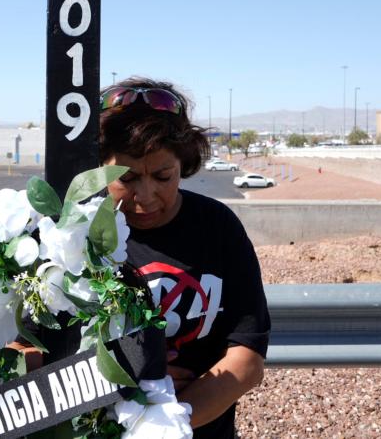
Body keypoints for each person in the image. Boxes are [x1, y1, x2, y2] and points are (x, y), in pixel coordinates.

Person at [99, 77, 270, 438]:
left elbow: (247, 359)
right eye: (126, 179)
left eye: (163, 176)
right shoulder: (71, 235)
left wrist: (164, 423)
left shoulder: (217, 227)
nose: (146, 197)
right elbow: (30, 355)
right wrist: (119, 382)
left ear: (184, 163)